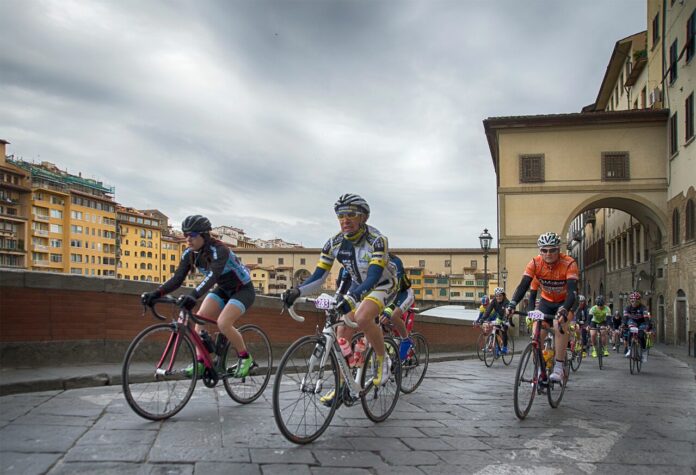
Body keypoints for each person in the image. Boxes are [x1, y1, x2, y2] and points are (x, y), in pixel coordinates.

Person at [282, 194, 398, 398]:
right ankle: (345, 386)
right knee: (342, 331)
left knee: (362, 316)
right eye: (340, 215)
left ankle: (382, 359)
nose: (344, 219)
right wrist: (297, 291)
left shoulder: (377, 241)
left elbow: (372, 277)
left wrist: (352, 297)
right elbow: (319, 277)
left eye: (350, 214)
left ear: (363, 217)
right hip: (356, 286)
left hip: (382, 284)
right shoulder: (333, 244)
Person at [142, 215, 256, 378]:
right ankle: (202, 361)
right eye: (185, 235)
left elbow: (213, 276)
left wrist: (193, 296)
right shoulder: (189, 254)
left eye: (192, 235)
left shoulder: (219, 250)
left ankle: (245, 357)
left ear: (204, 235)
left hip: (242, 290)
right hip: (223, 289)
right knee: (199, 319)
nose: (188, 239)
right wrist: (156, 293)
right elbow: (177, 279)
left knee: (223, 323)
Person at [506, 232, 578, 383]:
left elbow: (572, 292)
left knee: (559, 324)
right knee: (537, 334)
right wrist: (512, 303)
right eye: (544, 250)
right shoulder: (535, 263)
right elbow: (523, 285)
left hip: (565, 301)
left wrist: (564, 309)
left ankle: (559, 368)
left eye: (552, 250)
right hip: (546, 302)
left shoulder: (569, 263)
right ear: (540, 251)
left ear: (559, 250)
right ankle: (540, 369)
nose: (548, 254)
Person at [480, 287, 512, 354]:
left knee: (503, 330)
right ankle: (497, 348)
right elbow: (488, 310)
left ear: (503, 295)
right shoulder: (494, 301)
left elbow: (507, 312)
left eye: (500, 296)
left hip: (507, 317)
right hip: (499, 317)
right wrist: (482, 319)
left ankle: (505, 348)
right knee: (496, 330)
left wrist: (504, 321)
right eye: (497, 296)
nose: (498, 297)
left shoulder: (507, 302)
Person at [623, 291, 651, 363]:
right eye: (632, 300)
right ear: (630, 300)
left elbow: (646, 319)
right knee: (630, 332)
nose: (634, 302)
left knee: (641, 336)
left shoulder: (643, 308)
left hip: (642, 322)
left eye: (636, 300)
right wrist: (624, 325)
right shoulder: (627, 308)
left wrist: (647, 326)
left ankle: (644, 353)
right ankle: (629, 349)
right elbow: (625, 318)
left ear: (639, 300)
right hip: (633, 322)